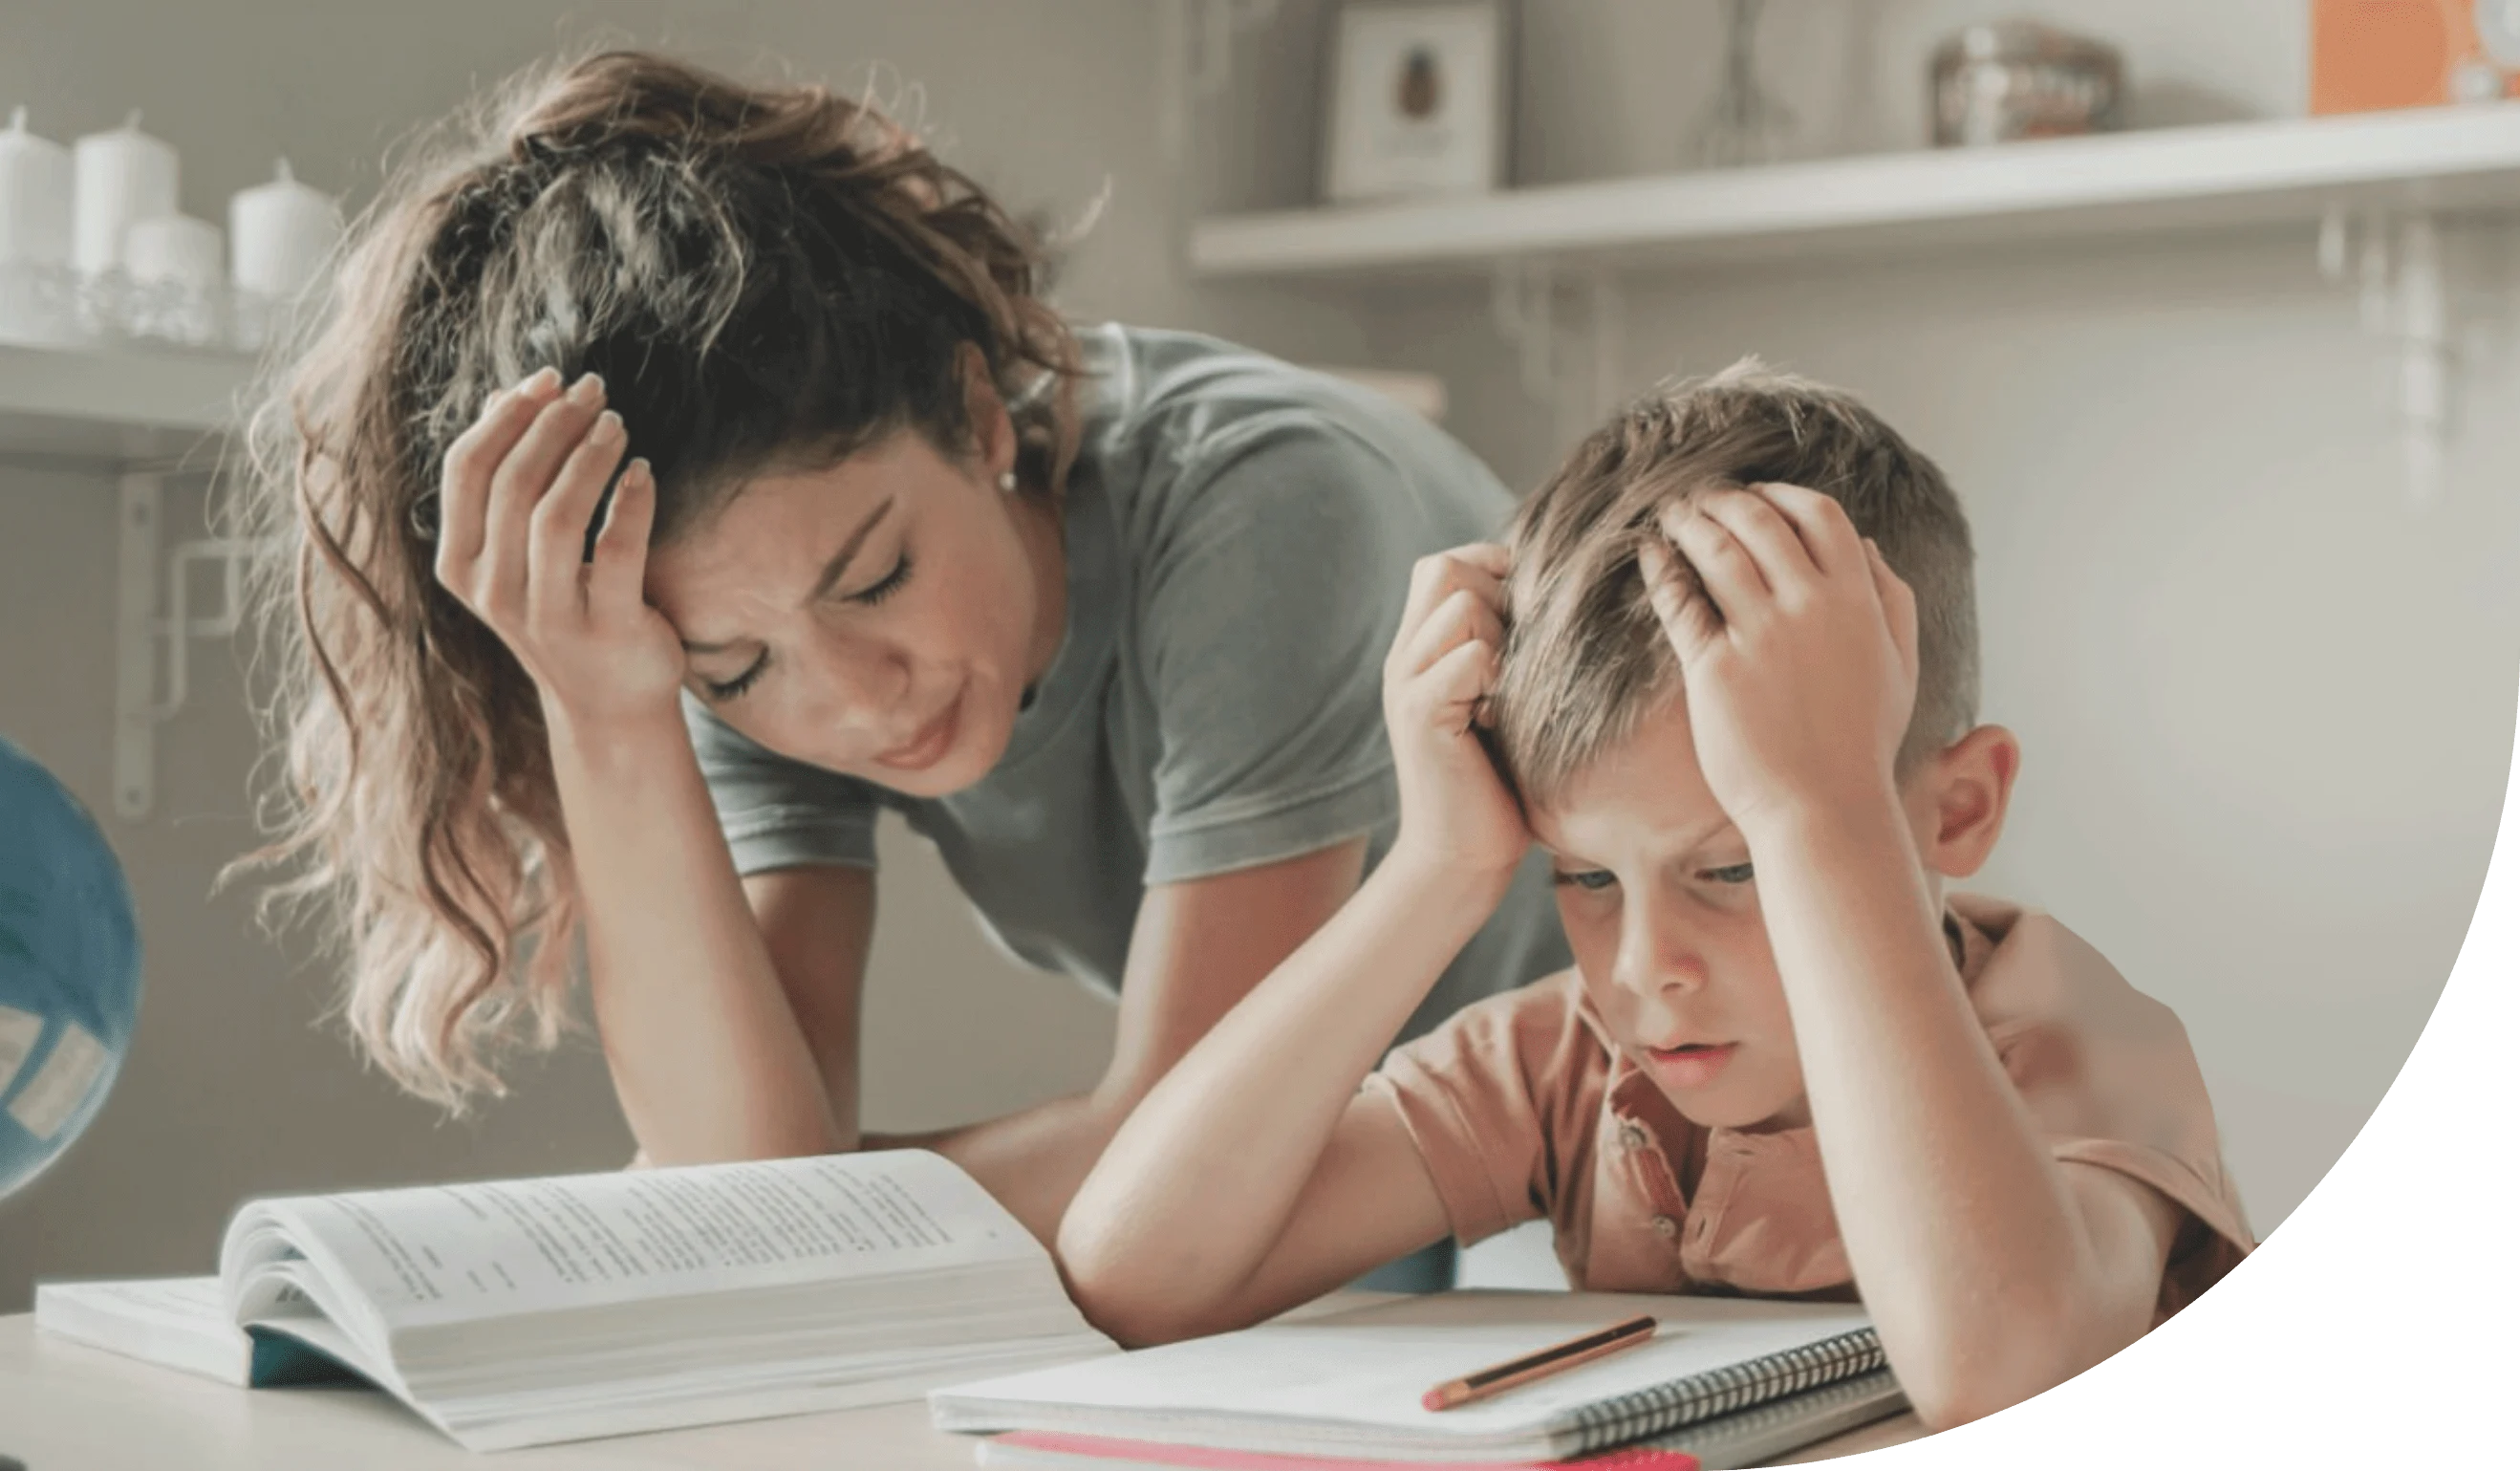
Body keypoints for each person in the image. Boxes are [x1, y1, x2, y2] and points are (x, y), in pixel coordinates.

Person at [223, 49, 1567, 1281]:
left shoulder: (1267, 508)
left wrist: (787, 1208)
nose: (850, 698)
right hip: (1350, 1134)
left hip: (1627, 1091)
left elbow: (1167, 1149)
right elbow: (749, 1141)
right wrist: (607, 706)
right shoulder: (717, 634)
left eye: (875, 578)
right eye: (733, 669)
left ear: (981, 417)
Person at [1057, 363, 2256, 1431]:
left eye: (1734, 866)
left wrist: (1817, 816)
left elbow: (2001, 1378)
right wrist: (1437, 868)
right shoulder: (1566, 1067)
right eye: (1584, 877)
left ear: (1956, 811)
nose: (1644, 967)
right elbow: (1134, 1273)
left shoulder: (2082, 1039)